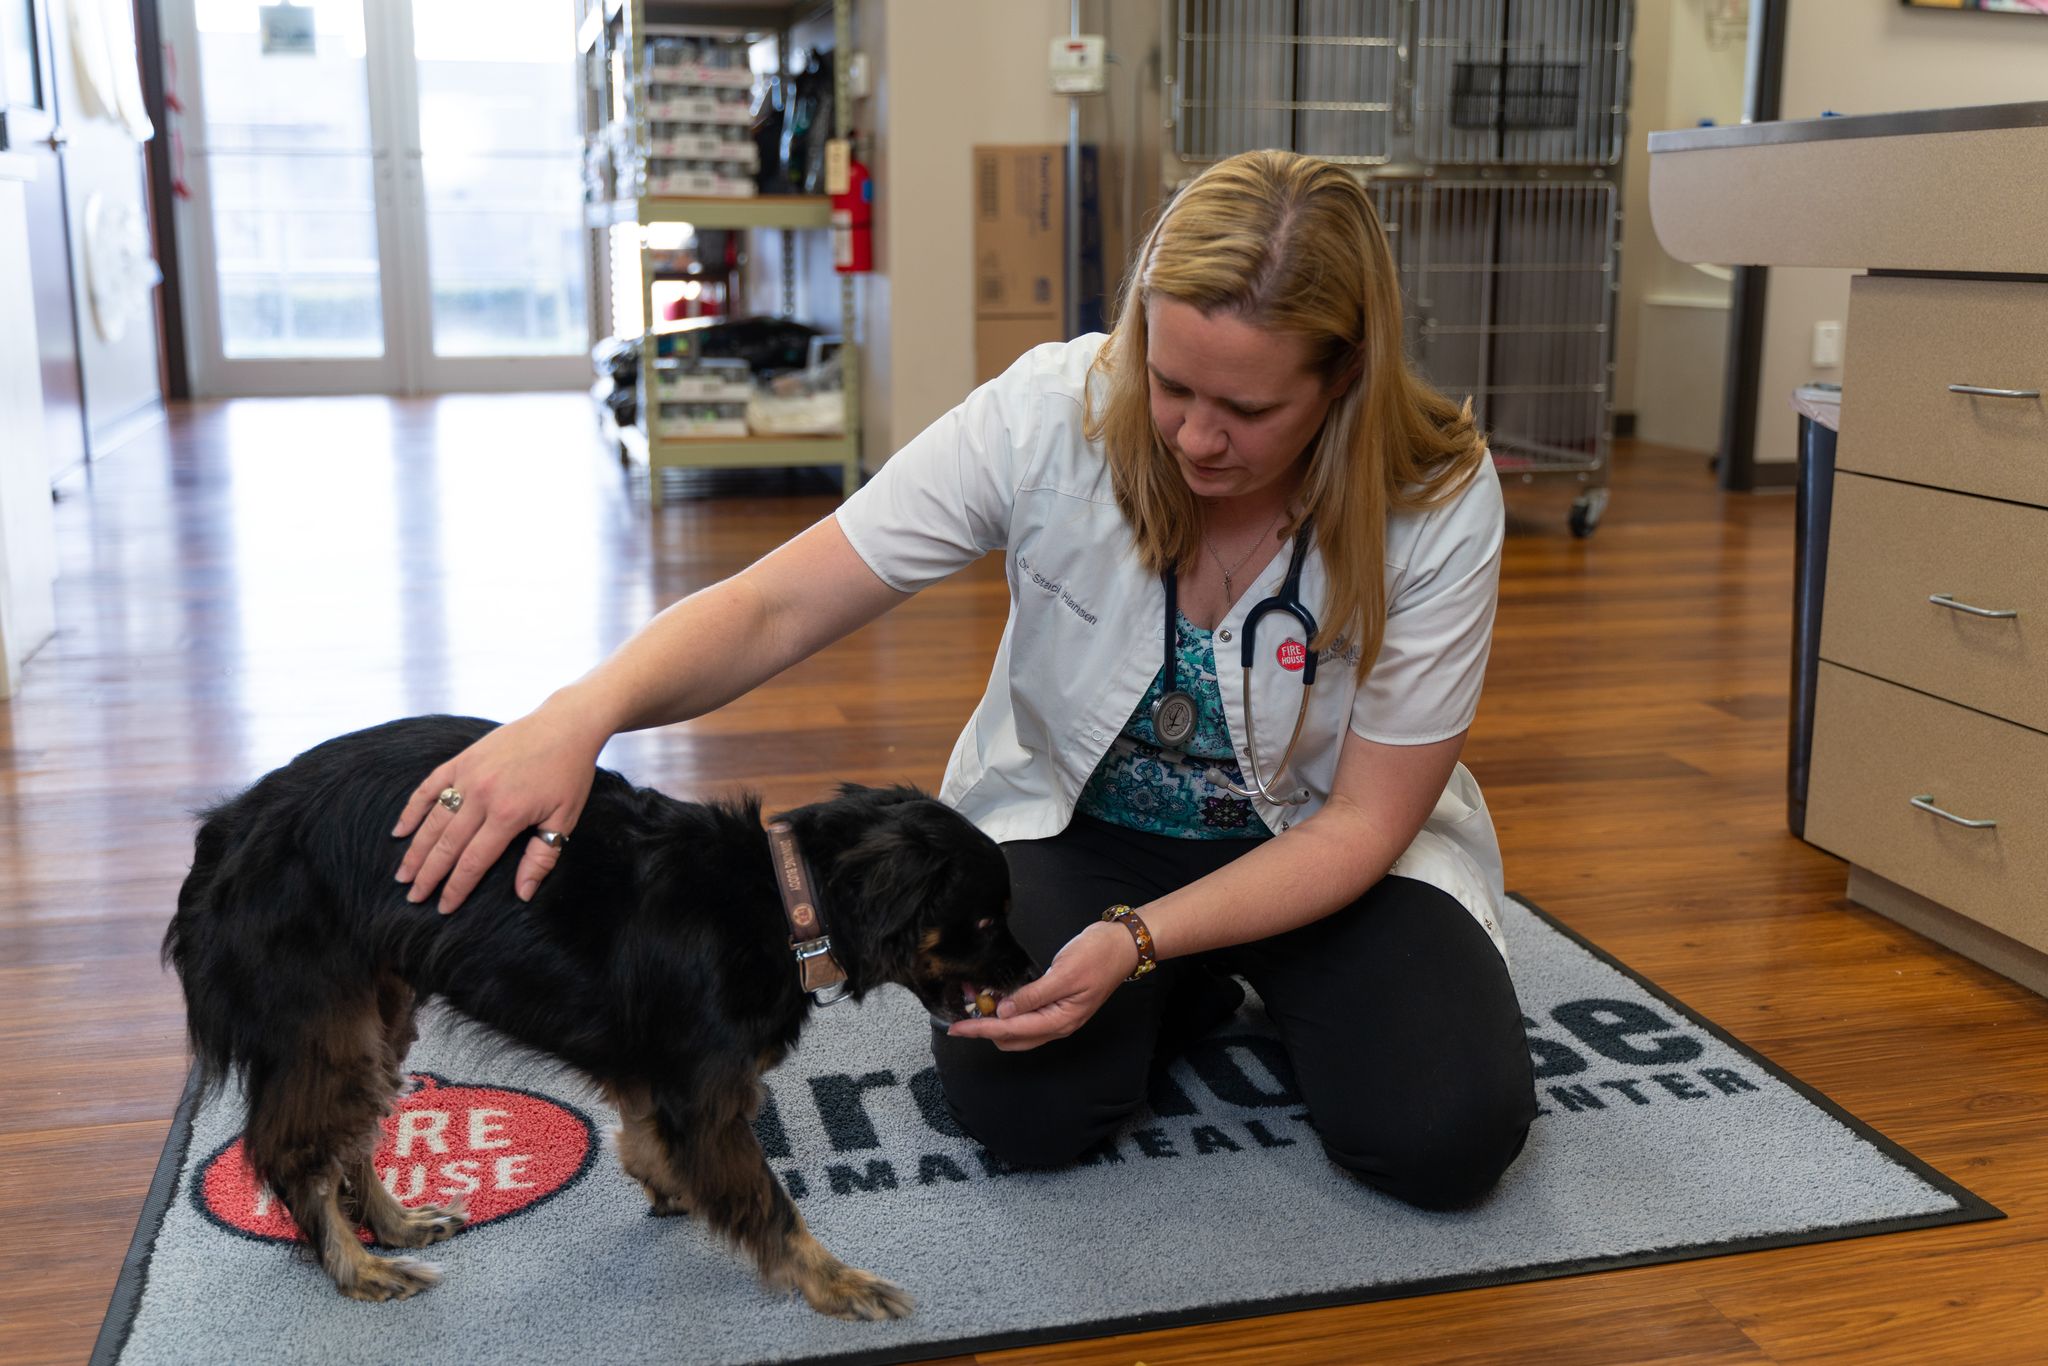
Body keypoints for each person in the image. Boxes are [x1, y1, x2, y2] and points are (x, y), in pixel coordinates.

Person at [394, 149, 1537, 1211]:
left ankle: (1206, 965)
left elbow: (1361, 824)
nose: (1192, 438)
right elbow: (779, 600)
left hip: (1325, 851)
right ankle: (1192, 987)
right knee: (1020, 1107)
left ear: (1343, 377)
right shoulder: (1049, 414)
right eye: (1170, 382)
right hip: (1091, 830)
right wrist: (576, 714)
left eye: (1246, 410)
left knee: (1444, 1136)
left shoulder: (1432, 498)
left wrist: (1135, 941)